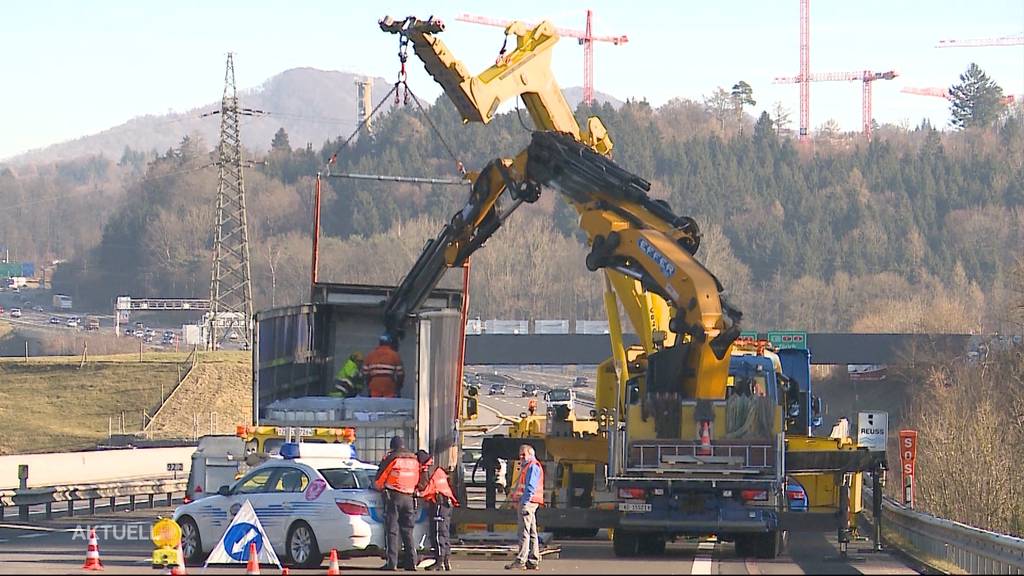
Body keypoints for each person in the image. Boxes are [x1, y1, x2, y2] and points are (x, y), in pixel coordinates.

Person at [374, 436, 420, 571]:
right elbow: (417, 478)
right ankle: (411, 562)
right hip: (409, 498)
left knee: (392, 531)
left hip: (394, 496)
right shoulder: (414, 459)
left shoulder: (392, 458)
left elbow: (379, 479)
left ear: (392, 446)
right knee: (408, 531)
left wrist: (380, 488)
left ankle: (392, 563)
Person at [416, 450, 459, 571]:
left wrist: (416, 493)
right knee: (445, 533)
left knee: (437, 533)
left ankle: (439, 561)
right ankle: (445, 560)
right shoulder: (438, 469)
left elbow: (425, 489)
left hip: (439, 503)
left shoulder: (427, 470)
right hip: (447, 503)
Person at [506, 444, 543, 570]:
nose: (521, 457)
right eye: (520, 454)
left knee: (524, 532)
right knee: (532, 532)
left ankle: (521, 560)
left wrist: (523, 501)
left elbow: (530, 487)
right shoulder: (529, 466)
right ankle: (533, 559)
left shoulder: (532, 466)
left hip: (528, 503)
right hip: (531, 503)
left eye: (524, 454)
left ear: (531, 454)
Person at [365, 334, 405, 398]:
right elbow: (400, 374)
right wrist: (398, 387)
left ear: (379, 343)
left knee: (375, 405)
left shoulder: (370, 355)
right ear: (390, 343)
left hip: (374, 384)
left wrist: (369, 384)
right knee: (390, 406)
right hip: (389, 385)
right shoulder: (395, 355)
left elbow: (366, 373)